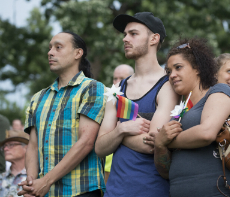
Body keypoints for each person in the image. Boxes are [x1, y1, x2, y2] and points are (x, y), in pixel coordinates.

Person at [145, 38, 230, 197]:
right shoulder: (179, 112)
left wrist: (165, 140)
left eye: (178, 68)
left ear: (197, 68)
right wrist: (160, 147)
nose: (172, 75)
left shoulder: (219, 91)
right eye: (169, 71)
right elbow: (166, 172)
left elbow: (206, 133)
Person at [95, 12, 179, 197]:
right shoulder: (118, 88)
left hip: (152, 191)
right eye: (125, 34)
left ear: (154, 39)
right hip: (114, 191)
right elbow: (100, 148)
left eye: (133, 34)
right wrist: (122, 130)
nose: (125, 39)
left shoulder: (168, 86)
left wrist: (115, 134)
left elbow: (153, 145)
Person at [17, 31, 106, 197]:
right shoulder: (38, 98)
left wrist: (45, 181)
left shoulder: (92, 88)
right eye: (50, 48)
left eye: (58, 47)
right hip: (45, 192)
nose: (50, 52)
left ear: (78, 53)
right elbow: (33, 146)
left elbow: (86, 142)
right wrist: (32, 184)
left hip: (82, 190)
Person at [105, 64, 134, 184]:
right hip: (108, 162)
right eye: (115, 79)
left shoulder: (135, 102)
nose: (117, 82)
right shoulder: (109, 100)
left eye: (121, 78)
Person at [0, 129, 29, 197]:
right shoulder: (1, 177)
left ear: (26, 148)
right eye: (4, 146)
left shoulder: (34, 177)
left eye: (11, 145)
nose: (5, 149)